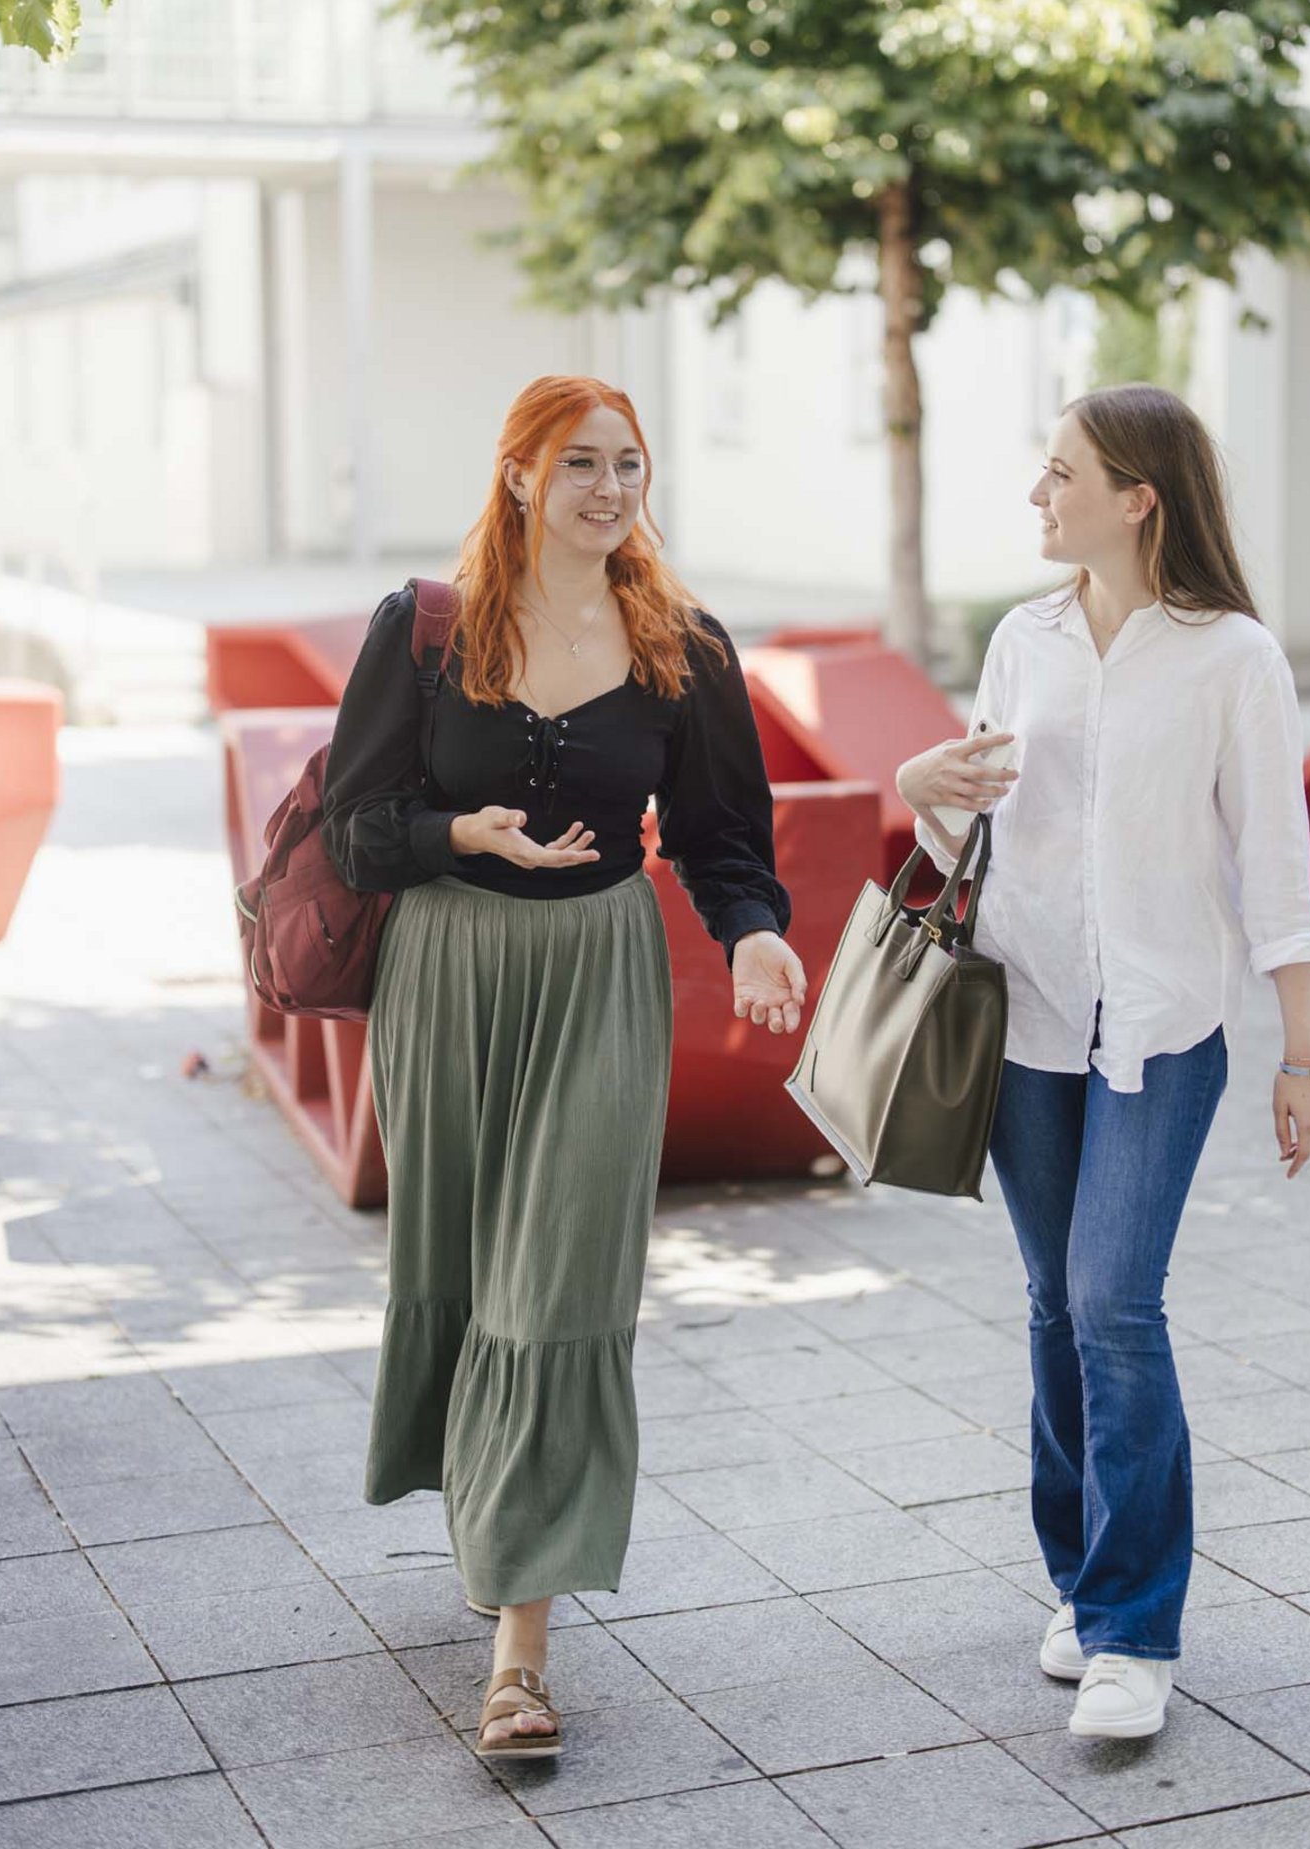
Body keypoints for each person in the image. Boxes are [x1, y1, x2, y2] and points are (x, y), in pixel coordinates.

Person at [320, 374, 806, 1762]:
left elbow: (724, 839)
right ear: (520, 473)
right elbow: (359, 829)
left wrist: (757, 935)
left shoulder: (684, 645)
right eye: (579, 462)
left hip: (599, 980)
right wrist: (460, 834)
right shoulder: (424, 631)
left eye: (630, 466)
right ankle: (490, 1506)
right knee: (471, 1269)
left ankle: (520, 1657)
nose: (608, 489)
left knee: (558, 1287)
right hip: (450, 977)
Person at [895, 382, 1310, 1742]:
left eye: (1060, 473)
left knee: (1113, 1302)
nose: (1040, 495)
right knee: (1050, 1301)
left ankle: (1136, 1626)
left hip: (1160, 1032)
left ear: (1137, 497)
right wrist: (923, 786)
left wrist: (1302, 1053)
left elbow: (1273, 863)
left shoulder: (1232, 658)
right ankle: (1084, 1580)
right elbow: (966, 831)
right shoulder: (1021, 641)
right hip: (1023, 1021)